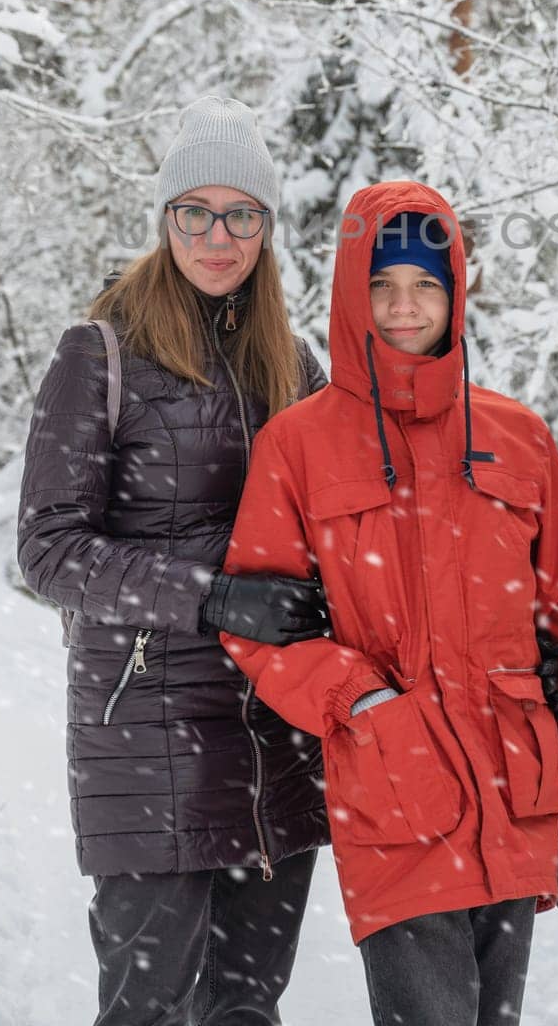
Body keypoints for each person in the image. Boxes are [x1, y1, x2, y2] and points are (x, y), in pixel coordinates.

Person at [221, 179, 558, 1026]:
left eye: (425, 285)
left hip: (516, 795)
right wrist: (361, 701)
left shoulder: (517, 436)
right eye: (381, 286)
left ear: (455, 292)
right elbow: (257, 629)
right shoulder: (297, 444)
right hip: (394, 797)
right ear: (350, 292)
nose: (404, 307)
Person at [17, 95, 333, 1026]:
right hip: (147, 732)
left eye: (241, 213)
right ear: (164, 219)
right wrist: (212, 598)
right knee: (149, 1008)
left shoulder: (295, 363)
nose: (216, 235)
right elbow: (49, 549)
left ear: (267, 227)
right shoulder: (101, 352)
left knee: (245, 1006)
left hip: (272, 731)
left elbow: (349, 524)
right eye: (194, 211)